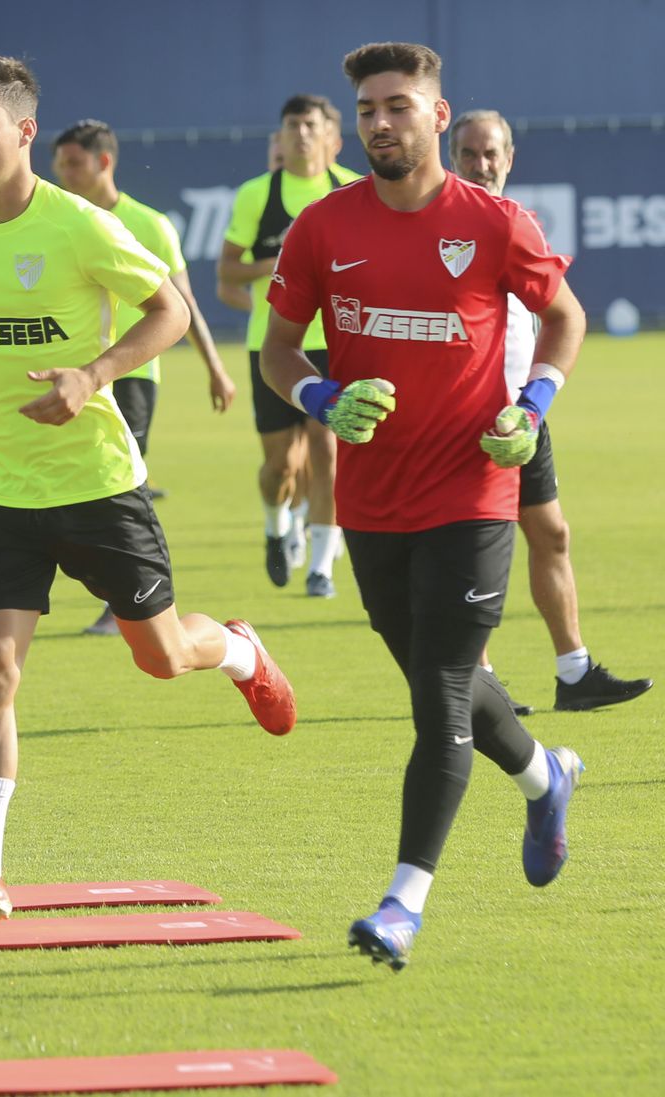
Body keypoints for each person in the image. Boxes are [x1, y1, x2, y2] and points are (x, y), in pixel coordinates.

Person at [0, 56, 296, 924]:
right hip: (8, 491)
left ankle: (237, 648)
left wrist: (92, 374)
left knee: (162, 655)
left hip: (100, 484)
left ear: (24, 131)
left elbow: (171, 310)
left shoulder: (80, 225)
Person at [262, 43, 587, 971]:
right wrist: (320, 396)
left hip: (474, 488)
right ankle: (544, 774)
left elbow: (564, 316)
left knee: (439, 688)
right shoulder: (322, 227)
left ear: (438, 116)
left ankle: (402, 902)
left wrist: (533, 404)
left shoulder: (494, 222)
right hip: (371, 500)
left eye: (398, 106)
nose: (379, 123)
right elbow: (279, 349)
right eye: (367, 109)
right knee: (435, 676)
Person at [449, 111, 652, 714]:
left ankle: (574, 672)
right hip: (464, 417)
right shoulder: (444, 226)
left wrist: (532, 405)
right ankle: (480, 682)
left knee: (551, 534)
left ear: (509, 158)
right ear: (451, 157)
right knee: (472, 549)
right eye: (468, 154)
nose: (481, 165)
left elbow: (557, 318)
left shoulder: (519, 224)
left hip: (522, 414)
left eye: (490, 153)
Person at [50, 119, 237, 633]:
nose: (64, 174)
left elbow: (183, 303)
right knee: (70, 479)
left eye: (74, 163)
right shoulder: (59, 220)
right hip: (73, 372)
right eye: (60, 164)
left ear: (103, 162)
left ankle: (132, 596)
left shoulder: (149, 224)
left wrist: (216, 368)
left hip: (132, 373)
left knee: (119, 484)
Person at [219, 96, 362, 597]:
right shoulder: (257, 194)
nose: (301, 133)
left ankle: (321, 567)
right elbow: (228, 270)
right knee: (280, 465)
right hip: (275, 344)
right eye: (292, 125)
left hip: (336, 342)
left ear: (330, 136)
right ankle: (276, 527)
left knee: (327, 453)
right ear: (280, 135)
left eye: (310, 125)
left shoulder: (353, 190)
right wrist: (282, 261)